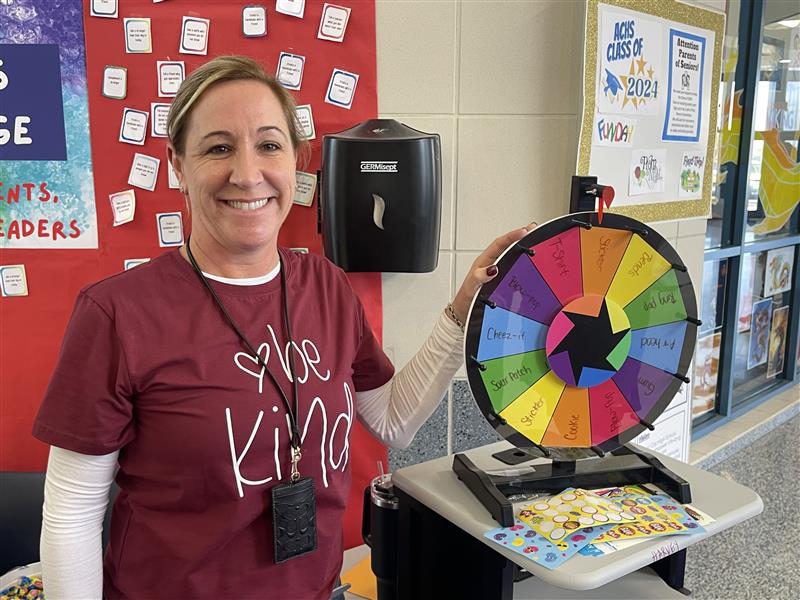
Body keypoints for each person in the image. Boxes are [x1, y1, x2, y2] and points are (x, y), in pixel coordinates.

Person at [32, 55, 535, 599]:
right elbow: (73, 514)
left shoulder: (325, 285)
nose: (247, 174)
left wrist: (463, 308)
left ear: (294, 160)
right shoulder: (117, 314)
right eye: (218, 147)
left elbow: (393, 420)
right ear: (177, 163)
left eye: (269, 145)